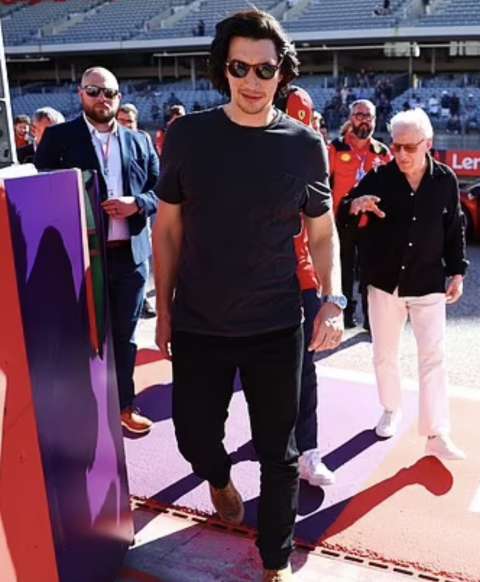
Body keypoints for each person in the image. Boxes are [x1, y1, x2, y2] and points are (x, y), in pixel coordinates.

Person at [152, 11, 344, 582]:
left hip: (275, 322)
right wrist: (163, 310)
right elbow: (167, 230)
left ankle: (276, 561)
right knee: (193, 436)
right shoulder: (188, 136)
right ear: (224, 68)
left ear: (282, 71)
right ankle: (217, 477)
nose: (253, 80)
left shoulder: (304, 145)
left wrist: (332, 299)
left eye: (266, 68)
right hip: (199, 322)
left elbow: (324, 230)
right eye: (240, 67)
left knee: (280, 453)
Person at [34, 67, 160, 435]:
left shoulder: (140, 141)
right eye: (94, 91)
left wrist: (137, 203)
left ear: (119, 97)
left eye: (110, 93)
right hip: (83, 256)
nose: (102, 99)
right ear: (80, 94)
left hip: (130, 256)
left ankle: (123, 406)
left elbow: (163, 188)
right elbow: (43, 190)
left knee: (125, 335)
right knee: (81, 333)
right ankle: (78, 406)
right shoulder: (59, 138)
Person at [340, 108, 469, 461]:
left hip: (428, 280)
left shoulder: (445, 180)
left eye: (409, 147)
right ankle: (391, 408)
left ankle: (437, 432)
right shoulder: (380, 177)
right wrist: (355, 206)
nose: (400, 154)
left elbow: (454, 227)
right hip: (384, 281)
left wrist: (458, 271)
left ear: (428, 144)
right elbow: (344, 209)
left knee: (434, 358)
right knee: (384, 354)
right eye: (396, 146)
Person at [274, 84, 336, 487]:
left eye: (310, 120)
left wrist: (335, 296)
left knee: (305, 370)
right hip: (258, 279)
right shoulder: (250, 152)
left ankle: (307, 451)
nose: (307, 126)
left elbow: (325, 229)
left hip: (305, 277)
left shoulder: (316, 156)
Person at [328, 99, 392, 330]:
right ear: (350, 117)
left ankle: (371, 320)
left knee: (370, 274)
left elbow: (392, 189)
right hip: (342, 221)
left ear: (375, 120)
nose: (363, 119)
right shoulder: (335, 148)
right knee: (343, 272)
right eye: (359, 114)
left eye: (369, 116)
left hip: (371, 223)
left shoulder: (382, 152)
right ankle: (345, 316)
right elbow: (323, 186)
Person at [116, 103, 159, 320]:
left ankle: (143, 299)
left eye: (129, 121)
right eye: (121, 121)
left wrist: (139, 202)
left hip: (139, 221)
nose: (126, 125)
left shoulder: (143, 141)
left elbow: (158, 185)